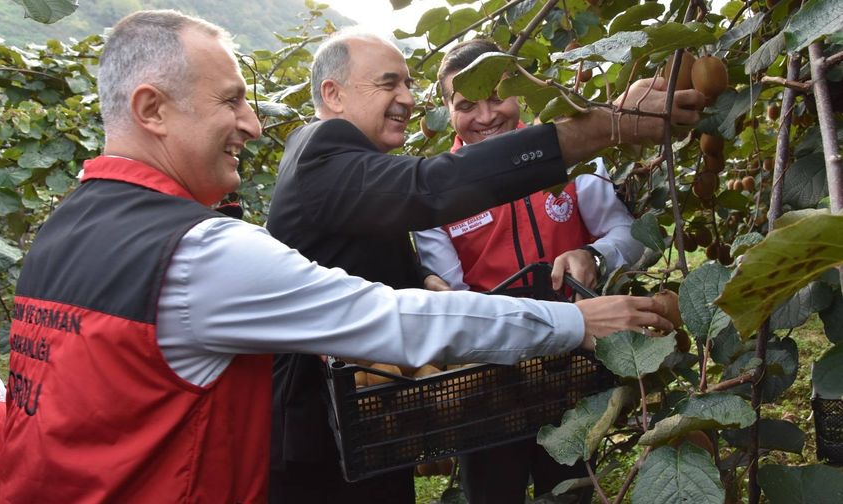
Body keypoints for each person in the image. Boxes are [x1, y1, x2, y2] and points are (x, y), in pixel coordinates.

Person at [0, 10, 674, 503]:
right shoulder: (209, 246)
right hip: (317, 442)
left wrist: (429, 279)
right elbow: (419, 235)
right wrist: (608, 127)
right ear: (153, 110)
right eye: (231, 100)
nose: (253, 124)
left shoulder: (67, 227)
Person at [266, 29, 703, 503]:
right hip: (324, 437)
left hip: (377, 427)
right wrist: (609, 124)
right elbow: (433, 185)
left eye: (408, 85)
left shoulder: (351, 166)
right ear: (332, 94)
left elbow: (353, 252)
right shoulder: (322, 149)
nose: (407, 99)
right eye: (389, 84)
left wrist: (418, 277)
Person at [413, 39, 645, 504]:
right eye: (465, 105)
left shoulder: (568, 155)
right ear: (446, 112)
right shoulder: (433, 193)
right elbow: (453, 296)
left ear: (521, 88)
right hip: (489, 379)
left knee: (572, 488)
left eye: (496, 96)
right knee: (493, 490)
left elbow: (631, 237)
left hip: (575, 368)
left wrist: (592, 255)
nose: (485, 116)